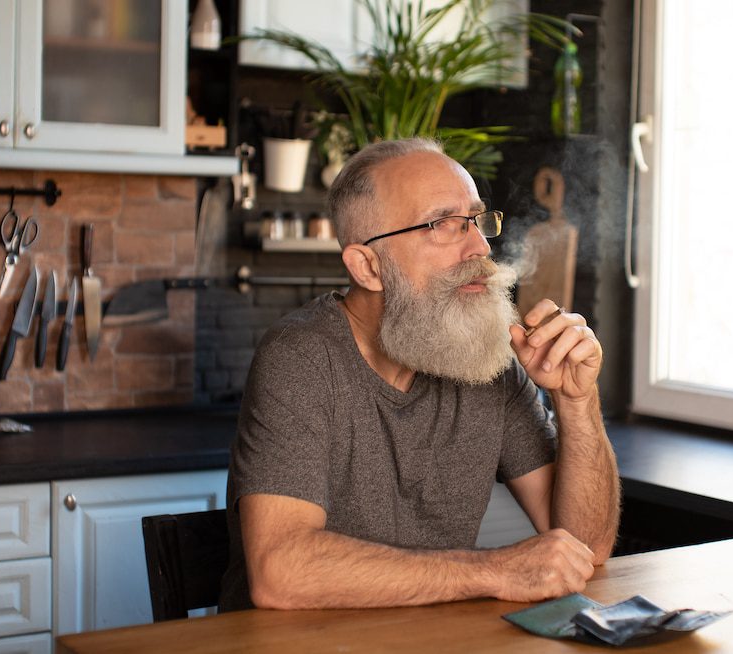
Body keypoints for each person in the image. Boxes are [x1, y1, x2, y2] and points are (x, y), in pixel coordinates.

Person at [219, 137, 620, 611]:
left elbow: (586, 548)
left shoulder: (488, 359)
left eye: (476, 220)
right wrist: (493, 569)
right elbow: (280, 574)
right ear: (367, 267)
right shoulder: (302, 357)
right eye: (443, 224)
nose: (480, 248)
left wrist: (577, 402)